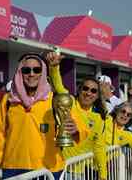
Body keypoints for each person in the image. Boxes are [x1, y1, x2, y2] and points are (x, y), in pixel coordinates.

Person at [0, 53, 88, 180]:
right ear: (20, 73)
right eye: (26, 70)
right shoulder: (8, 100)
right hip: (13, 169)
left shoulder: (55, 99)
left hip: (47, 170)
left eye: (37, 70)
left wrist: (75, 129)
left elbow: (82, 128)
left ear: (43, 73)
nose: (32, 74)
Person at [46, 52, 110, 180]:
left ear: (97, 95)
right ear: (79, 90)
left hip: (79, 173)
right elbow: (59, 86)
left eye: (93, 91)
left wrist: (103, 175)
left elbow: (99, 148)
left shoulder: (99, 119)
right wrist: (54, 67)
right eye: (85, 89)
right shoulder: (70, 102)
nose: (88, 93)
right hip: (58, 168)